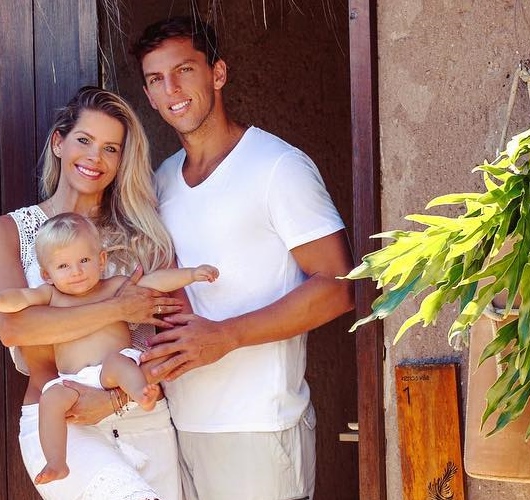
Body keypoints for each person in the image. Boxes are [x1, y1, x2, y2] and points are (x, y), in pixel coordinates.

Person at [131, 16, 356, 500]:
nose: (172, 89)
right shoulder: (160, 181)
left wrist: (226, 335)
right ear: (148, 95)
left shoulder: (277, 167)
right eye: (156, 79)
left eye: (184, 70)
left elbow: (339, 287)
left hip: (260, 424)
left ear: (217, 73)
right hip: (179, 423)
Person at [0, 86, 186, 500]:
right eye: (84, 140)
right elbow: (15, 329)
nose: (95, 158)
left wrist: (113, 400)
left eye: (111, 149)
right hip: (62, 421)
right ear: (59, 143)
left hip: (142, 416)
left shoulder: (144, 238)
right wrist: (119, 307)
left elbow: (171, 342)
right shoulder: (7, 232)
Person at [0, 212, 218, 485]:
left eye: (84, 261)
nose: (76, 272)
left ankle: (140, 393)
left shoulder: (115, 287)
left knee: (119, 363)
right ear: (46, 274)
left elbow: (155, 282)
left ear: (101, 260)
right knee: (50, 399)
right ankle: (56, 461)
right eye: (63, 266)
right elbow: (19, 297)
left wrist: (191, 274)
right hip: (74, 380)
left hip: (112, 369)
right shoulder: (50, 295)